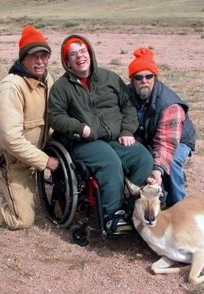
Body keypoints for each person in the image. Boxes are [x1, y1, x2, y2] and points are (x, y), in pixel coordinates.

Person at [48, 35, 153, 234]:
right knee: (110, 162)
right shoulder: (61, 88)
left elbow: (128, 106)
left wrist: (127, 130)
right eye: (73, 54)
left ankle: (131, 205)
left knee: (143, 157)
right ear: (66, 61)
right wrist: (80, 128)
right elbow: (55, 117)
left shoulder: (110, 78)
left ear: (90, 53)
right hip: (83, 142)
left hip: (114, 137)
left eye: (83, 51)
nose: (80, 57)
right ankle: (111, 215)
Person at [0, 25, 59, 229]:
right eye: (34, 56)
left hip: (34, 154)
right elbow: (10, 140)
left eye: (44, 56)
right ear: (23, 59)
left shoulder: (48, 79)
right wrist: (46, 161)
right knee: (22, 219)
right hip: (12, 161)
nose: (40, 62)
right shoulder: (10, 88)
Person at [127, 47, 196, 207]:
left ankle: (178, 206)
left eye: (148, 76)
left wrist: (157, 169)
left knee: (170, 164)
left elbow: (166, 144)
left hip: (177, 140)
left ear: (155, 77)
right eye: (138, 77)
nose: (144, 80)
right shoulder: (127, 94)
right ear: (132, 80)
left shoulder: (169, 104)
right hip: (148, 136)